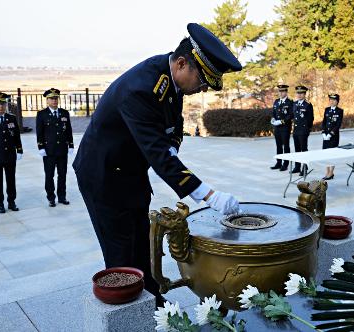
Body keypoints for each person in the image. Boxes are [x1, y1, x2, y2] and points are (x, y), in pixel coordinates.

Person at [73, 23, 243, 304]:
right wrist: (209, 195)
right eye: (202, 81)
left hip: (130, 171)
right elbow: (158, 153)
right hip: (103, 176)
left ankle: (152, 301)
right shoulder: (141, 88)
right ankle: (127, 312)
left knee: (141, 241)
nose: (202, 89)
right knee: (121, 252)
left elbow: (172, 132)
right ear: (181, 63)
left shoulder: (171, 83)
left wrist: (171, 152)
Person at [36, 88, 74, 207]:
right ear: (47, 100)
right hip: (49, 150)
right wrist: (41, 147)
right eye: (52, 99)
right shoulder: (42, 114)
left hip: (62, 149)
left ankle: (62, 197)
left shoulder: (64, 113)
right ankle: (51, 198)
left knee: (62, 174)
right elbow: (39, 132)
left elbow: (68, 130)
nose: (54, 101)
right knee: (49, 175)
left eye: (56, 98)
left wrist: (71, 144)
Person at [0, 92, 23, 213]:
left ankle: (11, 202)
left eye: (3, 104)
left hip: (10, 155)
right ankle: (0, 203)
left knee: (11, 180)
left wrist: (19, 149)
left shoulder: (11, 118)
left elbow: (16, 136)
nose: (1, 106)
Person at [270, 84, 293, 171]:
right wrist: (273, 119)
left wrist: (281, 121)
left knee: (286, 146)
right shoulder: (276, 101)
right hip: (277, 128)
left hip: (285, 127)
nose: (281, 93)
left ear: (286, 92)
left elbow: (291, 115)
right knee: (278, 146)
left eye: (283, 91)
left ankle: (285, 164)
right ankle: (278, 162)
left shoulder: (290, 102)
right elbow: (273, 113)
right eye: (279, 91)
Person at [291, 85, 314, 176]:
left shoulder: (308, 105)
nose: (299, 95)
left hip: (303, 131)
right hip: (296, 130)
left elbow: (310, 119)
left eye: (301, 93)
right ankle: (297, 167)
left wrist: (307, 130)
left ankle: (304, 167)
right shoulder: (294, 104)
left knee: (303, 149)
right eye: (298, 93)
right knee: (297, 149)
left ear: (305, 94)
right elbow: (293, 116)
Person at [321, 93, 343, 180]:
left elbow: (338, 124)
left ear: (337, 101)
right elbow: (324, 122)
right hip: (325, 136)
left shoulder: (340, 111)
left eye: (334, 100)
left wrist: (331, 134)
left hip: (333, 136)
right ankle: (327, 171)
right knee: (325, 154)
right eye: (330, 100)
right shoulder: (326, 110)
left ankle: (331, 172)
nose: (332, 101)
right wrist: (323, 132)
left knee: (333, 154)